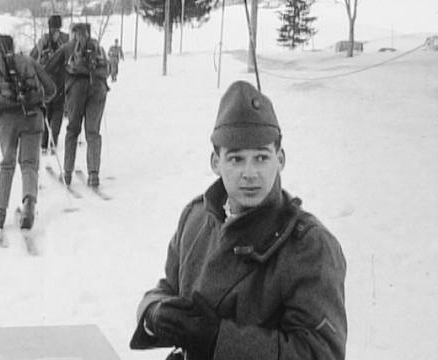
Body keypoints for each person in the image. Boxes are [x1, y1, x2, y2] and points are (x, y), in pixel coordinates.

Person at [129, 81, 347, 360]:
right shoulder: (196, 219)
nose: (250, 173)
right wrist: (153, 313)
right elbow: (169, 288)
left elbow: (320, 353)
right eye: (235, 159)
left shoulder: (309, 247)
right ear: (215, 162)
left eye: (261, 157)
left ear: (280, 159)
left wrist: (219, 340)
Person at [0, 35, 56, 230]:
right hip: (33, 117)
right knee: (29, 164)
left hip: (7, 120)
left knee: (7, 163)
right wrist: (38, 100)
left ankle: (0, 213)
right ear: (13, 45)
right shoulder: (29, 61)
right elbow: (51, 89)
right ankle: (29, 205)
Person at [44, 23, 109, 188]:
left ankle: (67, 174)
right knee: (93, 132)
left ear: (74, 33)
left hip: (76, 89)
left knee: (73, 130)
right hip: (98, 87)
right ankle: (94, 175)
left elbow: (49, 66)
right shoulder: (97, 46)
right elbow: (108, 67)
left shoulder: (68, 47)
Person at [30, 15, 70, 153]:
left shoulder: (47, 39)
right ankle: (51, 141)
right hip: (56, 81)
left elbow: (33, 56)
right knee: (55, 110)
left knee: (49, 111)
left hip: (48, 80)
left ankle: (46, 142)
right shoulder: (64, 38)